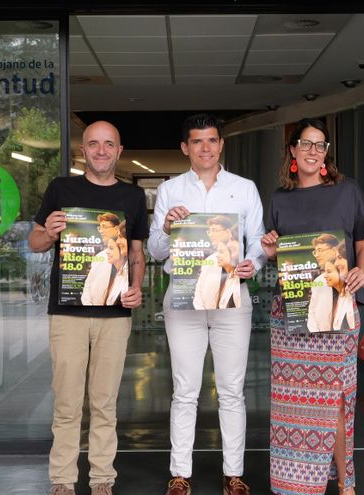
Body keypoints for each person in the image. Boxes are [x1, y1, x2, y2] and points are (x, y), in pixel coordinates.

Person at [147, 113, 265, 495]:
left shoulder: (244, 188)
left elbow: (259, 241)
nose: (205, 148)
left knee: (232, 389)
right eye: (197, 142)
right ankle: (180, 472)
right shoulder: (170, 189)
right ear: (185, 148)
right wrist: (166, 227)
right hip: (184, 298)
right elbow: (154, 250)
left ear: (221, 144)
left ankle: (234, 474)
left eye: (212, 140)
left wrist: (254, 263)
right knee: (185, 389)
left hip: (232, 297)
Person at [29, 120, 148, 495]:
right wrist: (48, 231)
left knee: (104, 402)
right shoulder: (61, 189)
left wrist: (137, 289)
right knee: (66, 402)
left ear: (119, 150)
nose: (100, 150)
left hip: (115, 315)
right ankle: (63, 480)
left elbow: (137, 254)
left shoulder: (132, 197)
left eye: (108, 144)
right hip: (68, 314)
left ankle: (101, 480)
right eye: (93, 144)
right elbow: (34, 242)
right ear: (83, 150)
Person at [261, 118, 364, 495]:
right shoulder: (280, 198)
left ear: (326, 153)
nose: (313, 151)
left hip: (339, 309)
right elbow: (284, 258)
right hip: (292, 315)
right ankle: (294, 483)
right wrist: (272, 249)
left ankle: (345, 482)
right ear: (292, 150)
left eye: (320, 145)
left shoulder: (347, 191)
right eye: (306, 144)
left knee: (337, 398)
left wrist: (362, 272)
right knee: (293, 403)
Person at [192, 215, 239, 310]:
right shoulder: (209, 261)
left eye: (214, 230)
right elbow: (199, 290)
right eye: (209, 231)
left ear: (228, 232)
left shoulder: (237, 262)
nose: (210, 234)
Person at [81, 212, 122, 306]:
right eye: (100, 227)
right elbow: (88, 285)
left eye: (104, 227)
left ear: (116, 229)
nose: (101, 231)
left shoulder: (126, 256)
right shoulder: (99, 257)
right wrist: (89, 306)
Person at [305, 233, 343, 333]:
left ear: (334, 250)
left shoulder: (347, 277)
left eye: (320, 250)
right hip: (319, 338)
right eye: (315, 251)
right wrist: (316, 333)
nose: (316, 255)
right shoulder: (318, 281)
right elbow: (311, 311)